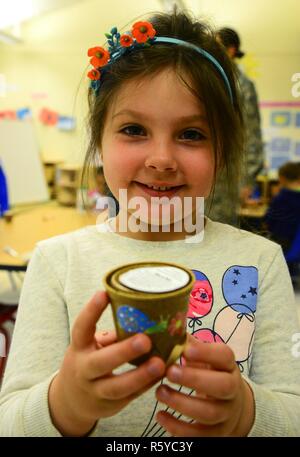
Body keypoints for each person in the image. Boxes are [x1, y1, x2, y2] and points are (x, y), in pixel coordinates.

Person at [0, 11, 299, 437]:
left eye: (192, 134)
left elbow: (293, 412)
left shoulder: (262, 261)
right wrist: (64, 403)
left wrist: (245, 412)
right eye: (134, 129)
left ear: (225, 152)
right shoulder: (56, 260)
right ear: (98, 142)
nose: (161, 159)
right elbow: (9, 422)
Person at [207, 27, 264, 225]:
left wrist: (246, 180)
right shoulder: (210, 80)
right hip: (202, 169)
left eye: (217, 44)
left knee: (216, 234)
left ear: (231, 50)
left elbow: (251, 136)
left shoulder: (241, 85)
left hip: (225, 177)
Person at [264, 161, 300, 254]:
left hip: (280, 240)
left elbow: (269, 219)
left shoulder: (280, 198)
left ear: (282, 179)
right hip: (295, 243)